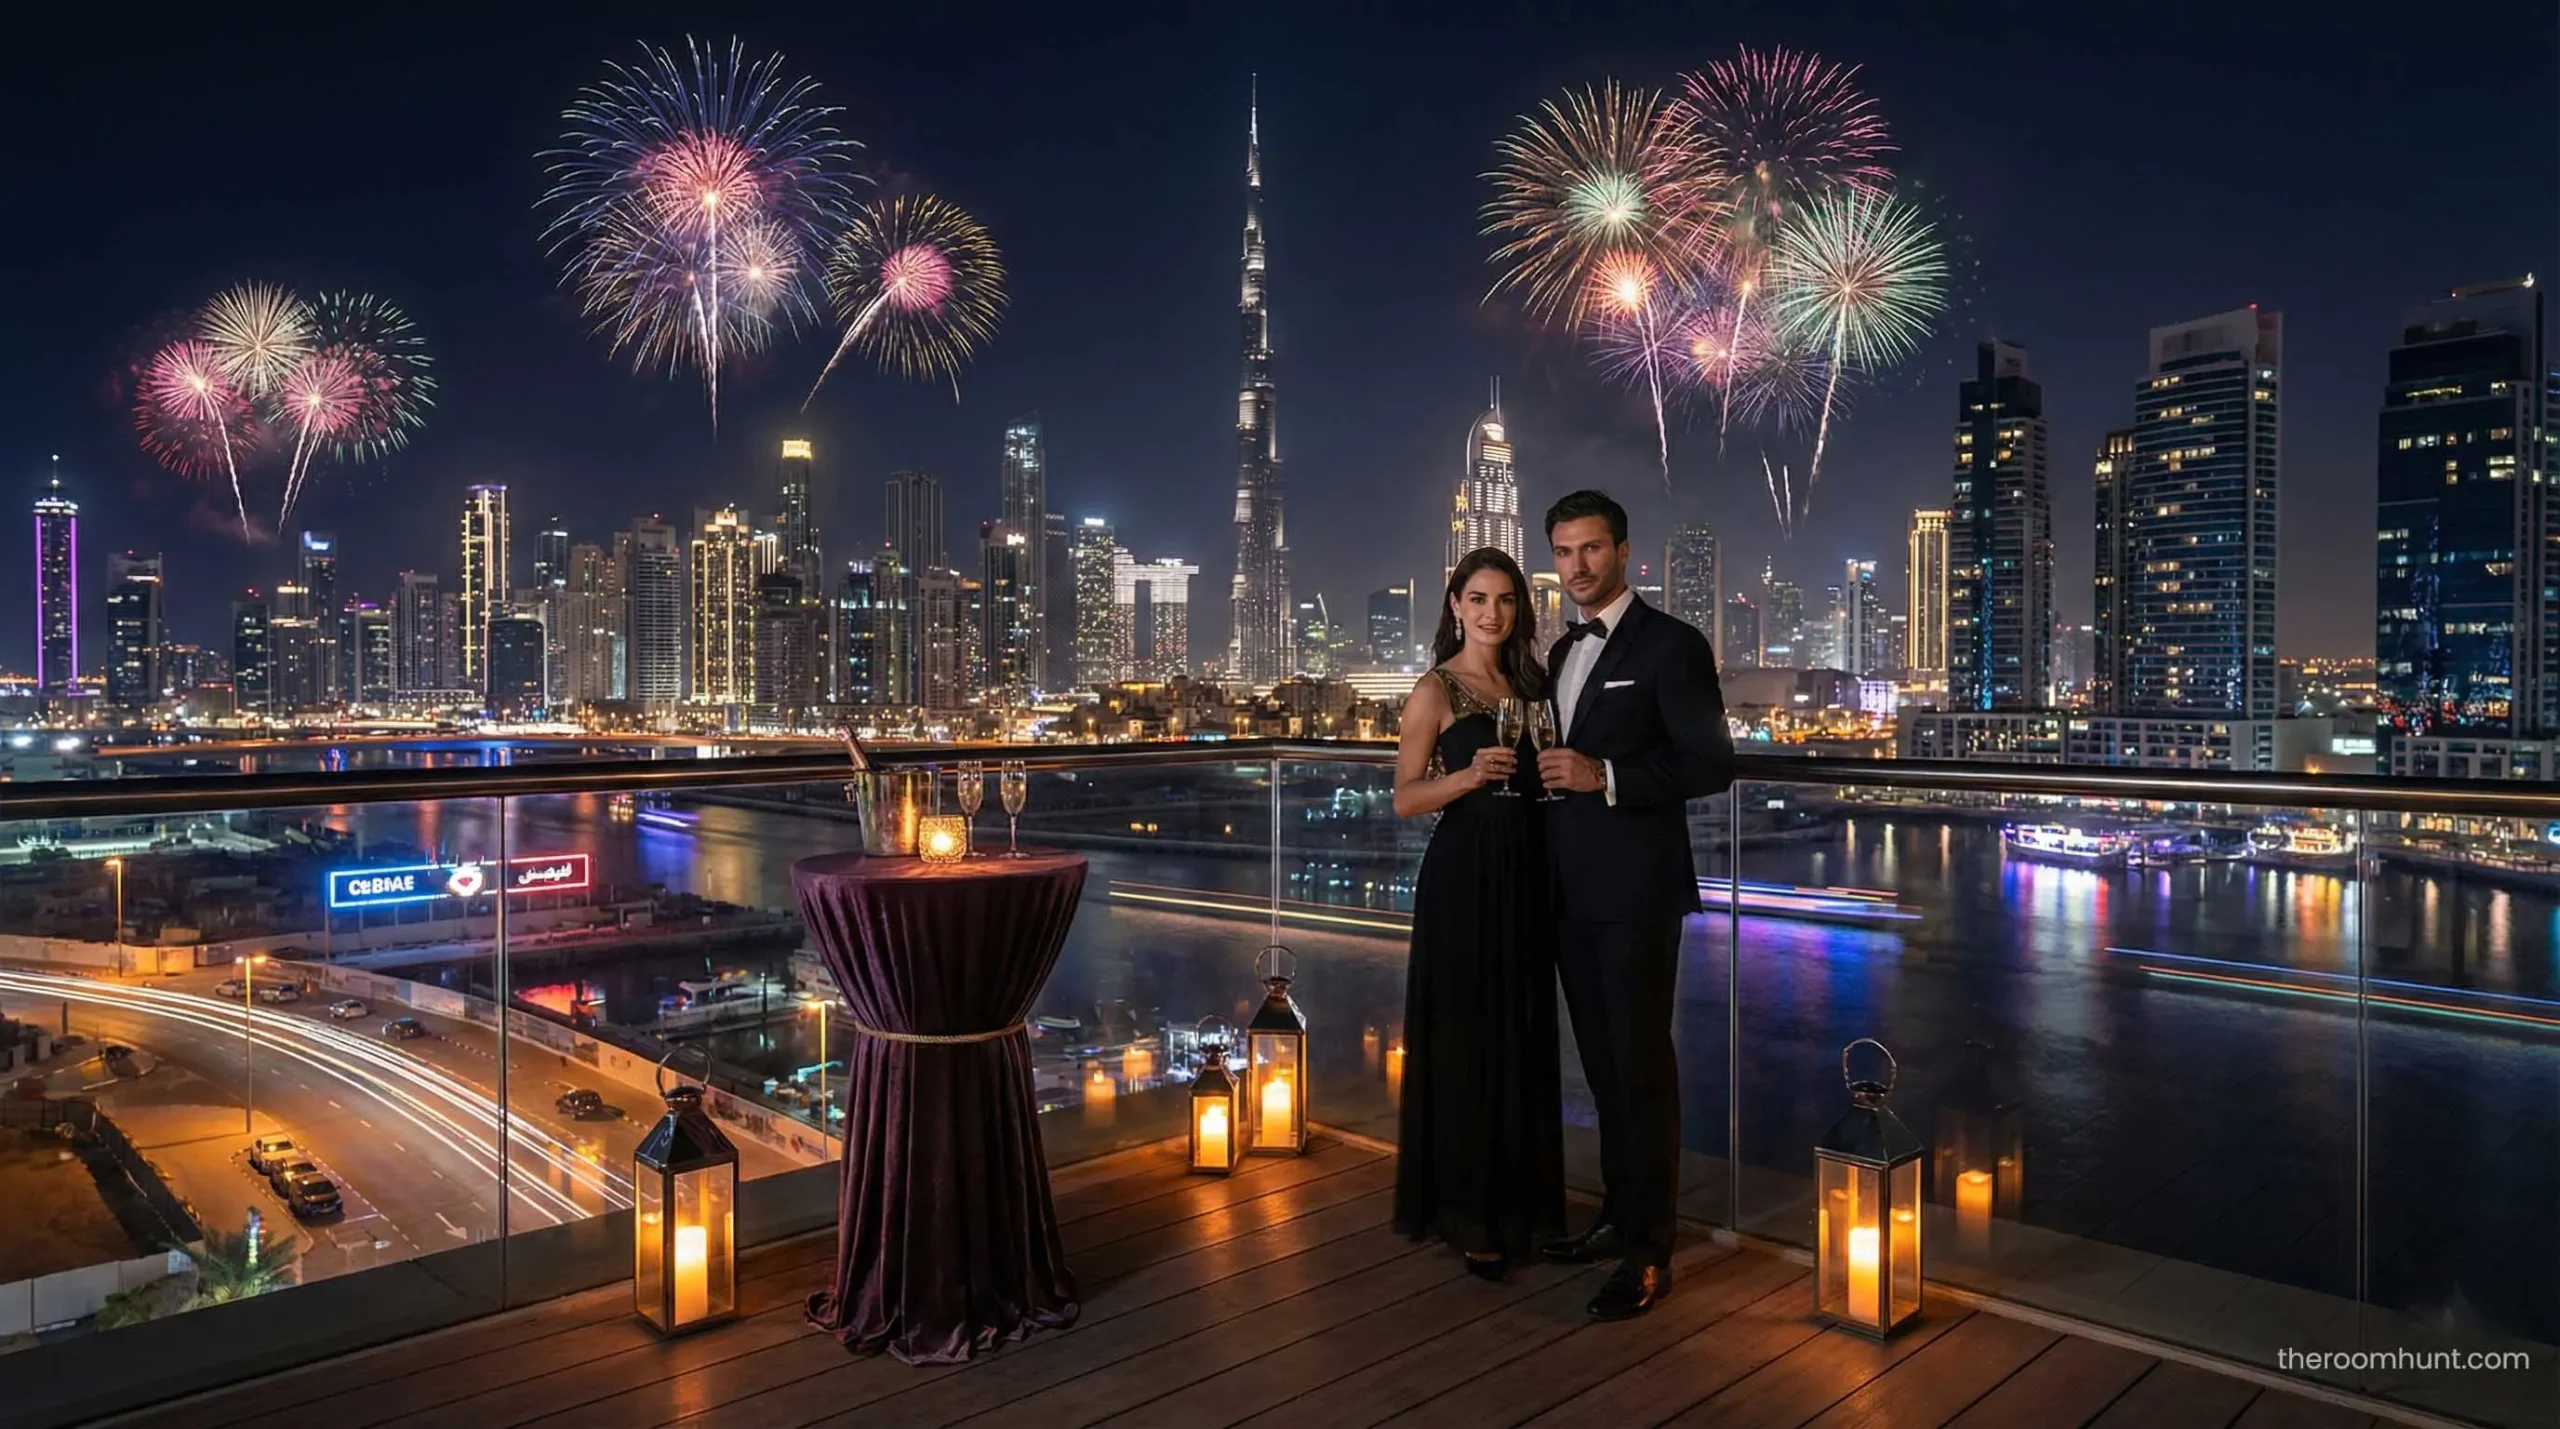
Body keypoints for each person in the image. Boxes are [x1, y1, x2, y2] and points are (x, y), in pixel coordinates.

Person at [1532, 489, 1734, 1320]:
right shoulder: (1557, 652)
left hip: (1638, 892)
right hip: (1569, 892)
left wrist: (1604, 776)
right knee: (1604, 1067)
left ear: (1621, 551)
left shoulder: (1672, 645)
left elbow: (1710, 763)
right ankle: (1618, 1217)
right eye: (1564, 551)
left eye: (1591, 549)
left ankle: (1652, 1252)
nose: (1577, 566)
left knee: (1643, 1067)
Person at [1389, 547, 1567, 1281]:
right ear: (1455, 605)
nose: (1492, 612)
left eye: (1505, 599)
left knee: (1521, 1033)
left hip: (1526, 875)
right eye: (1478, 598)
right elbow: (1403, 798)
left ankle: (1523, 1206)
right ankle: (1471, 1216)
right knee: (1467, 1040)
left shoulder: (1532, 683)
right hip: (1463, 880)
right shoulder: (1436, 690)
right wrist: (1463, 777)